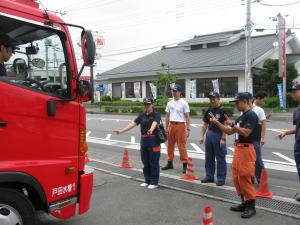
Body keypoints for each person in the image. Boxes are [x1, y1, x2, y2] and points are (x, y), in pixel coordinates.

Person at [209, 92, 259, 218]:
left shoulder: (251, 115)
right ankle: (244, 202)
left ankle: (251, 206)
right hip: (238, 148)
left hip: (247, 149)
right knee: (237, 176)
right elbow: (229, 131)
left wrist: (233, 125)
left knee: (245, 176)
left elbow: (246, 132)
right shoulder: (241, 117)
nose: (236, 104)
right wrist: (217, 123)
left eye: (238, 102)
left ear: (246, 101)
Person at [114, 97, 161, 189]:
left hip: (153, 140)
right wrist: (121, 131)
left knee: (153, 161)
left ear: (152, 104)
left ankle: (154, 182)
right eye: (145, 104)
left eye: (149, 104)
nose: (147, 106)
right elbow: (132, 124)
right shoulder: (142, 115)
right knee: (145, 161)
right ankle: (147, 180)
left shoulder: (156, 114)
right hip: (144, 140)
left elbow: (155, 123)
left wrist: (151, 130)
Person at [276, 83, 300, 201]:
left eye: (295, 91)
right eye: (292, 92)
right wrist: (285, 132)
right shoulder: (296, 111)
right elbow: (297, 128)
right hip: (298, 144)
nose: (293, 94)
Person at [199, 91, 227, 186]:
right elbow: (205, 124)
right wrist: (202, 136)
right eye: (210, 98)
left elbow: (226, 126)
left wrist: (223, 138)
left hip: (219, 134)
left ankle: (221, 178)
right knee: (209, 157)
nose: (212, 100)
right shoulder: (209, 110)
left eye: (214, 98)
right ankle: (209, 176)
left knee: (220, 158)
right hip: (210, 134)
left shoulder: (223, 110)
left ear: (218, 99)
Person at [162, 84, 190, 174]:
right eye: (173, 91)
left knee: (181, 145)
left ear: (180, 92)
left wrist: (188, 129)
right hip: (171, 125)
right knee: (170, 145)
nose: (173, 93)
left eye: (175, 91)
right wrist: (166, 128)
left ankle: (185, 164)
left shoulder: (184, 103)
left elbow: (187, 117)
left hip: (180, 125)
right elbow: (167, 116)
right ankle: (169, 163)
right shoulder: (169, 103)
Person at [251, 91, 267, 184]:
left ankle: (261, 180)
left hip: (255, 138)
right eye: (263, 101)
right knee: (251, 160)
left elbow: (263, 123)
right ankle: (252, 177)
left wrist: (262, 137)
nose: (263, 103)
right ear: (258, 99)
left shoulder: (259, 110)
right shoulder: (256, 109)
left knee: (257, 159)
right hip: (247, 138)